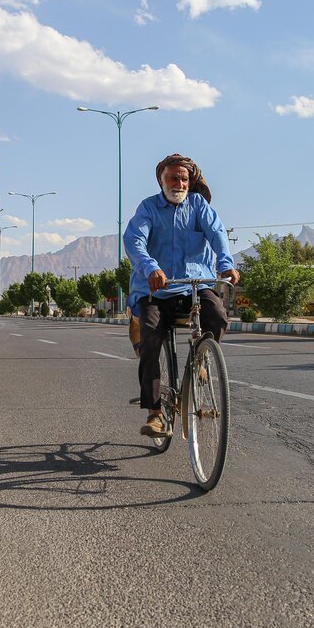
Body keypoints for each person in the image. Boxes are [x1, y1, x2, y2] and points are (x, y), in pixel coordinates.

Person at [123, 154, 240, 438]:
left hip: (194, 286)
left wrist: (225, 263)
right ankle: (155, 414)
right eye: (173, 178)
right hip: (156, 288)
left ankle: (200, 361)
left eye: (184, 179)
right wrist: (151, 267)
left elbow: (217, 233)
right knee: (151, 335)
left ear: (191, 181)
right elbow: (134, 240)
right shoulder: (148, 208)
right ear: (161, 180)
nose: (179, 183)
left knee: (217, 316)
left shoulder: (199, 205)